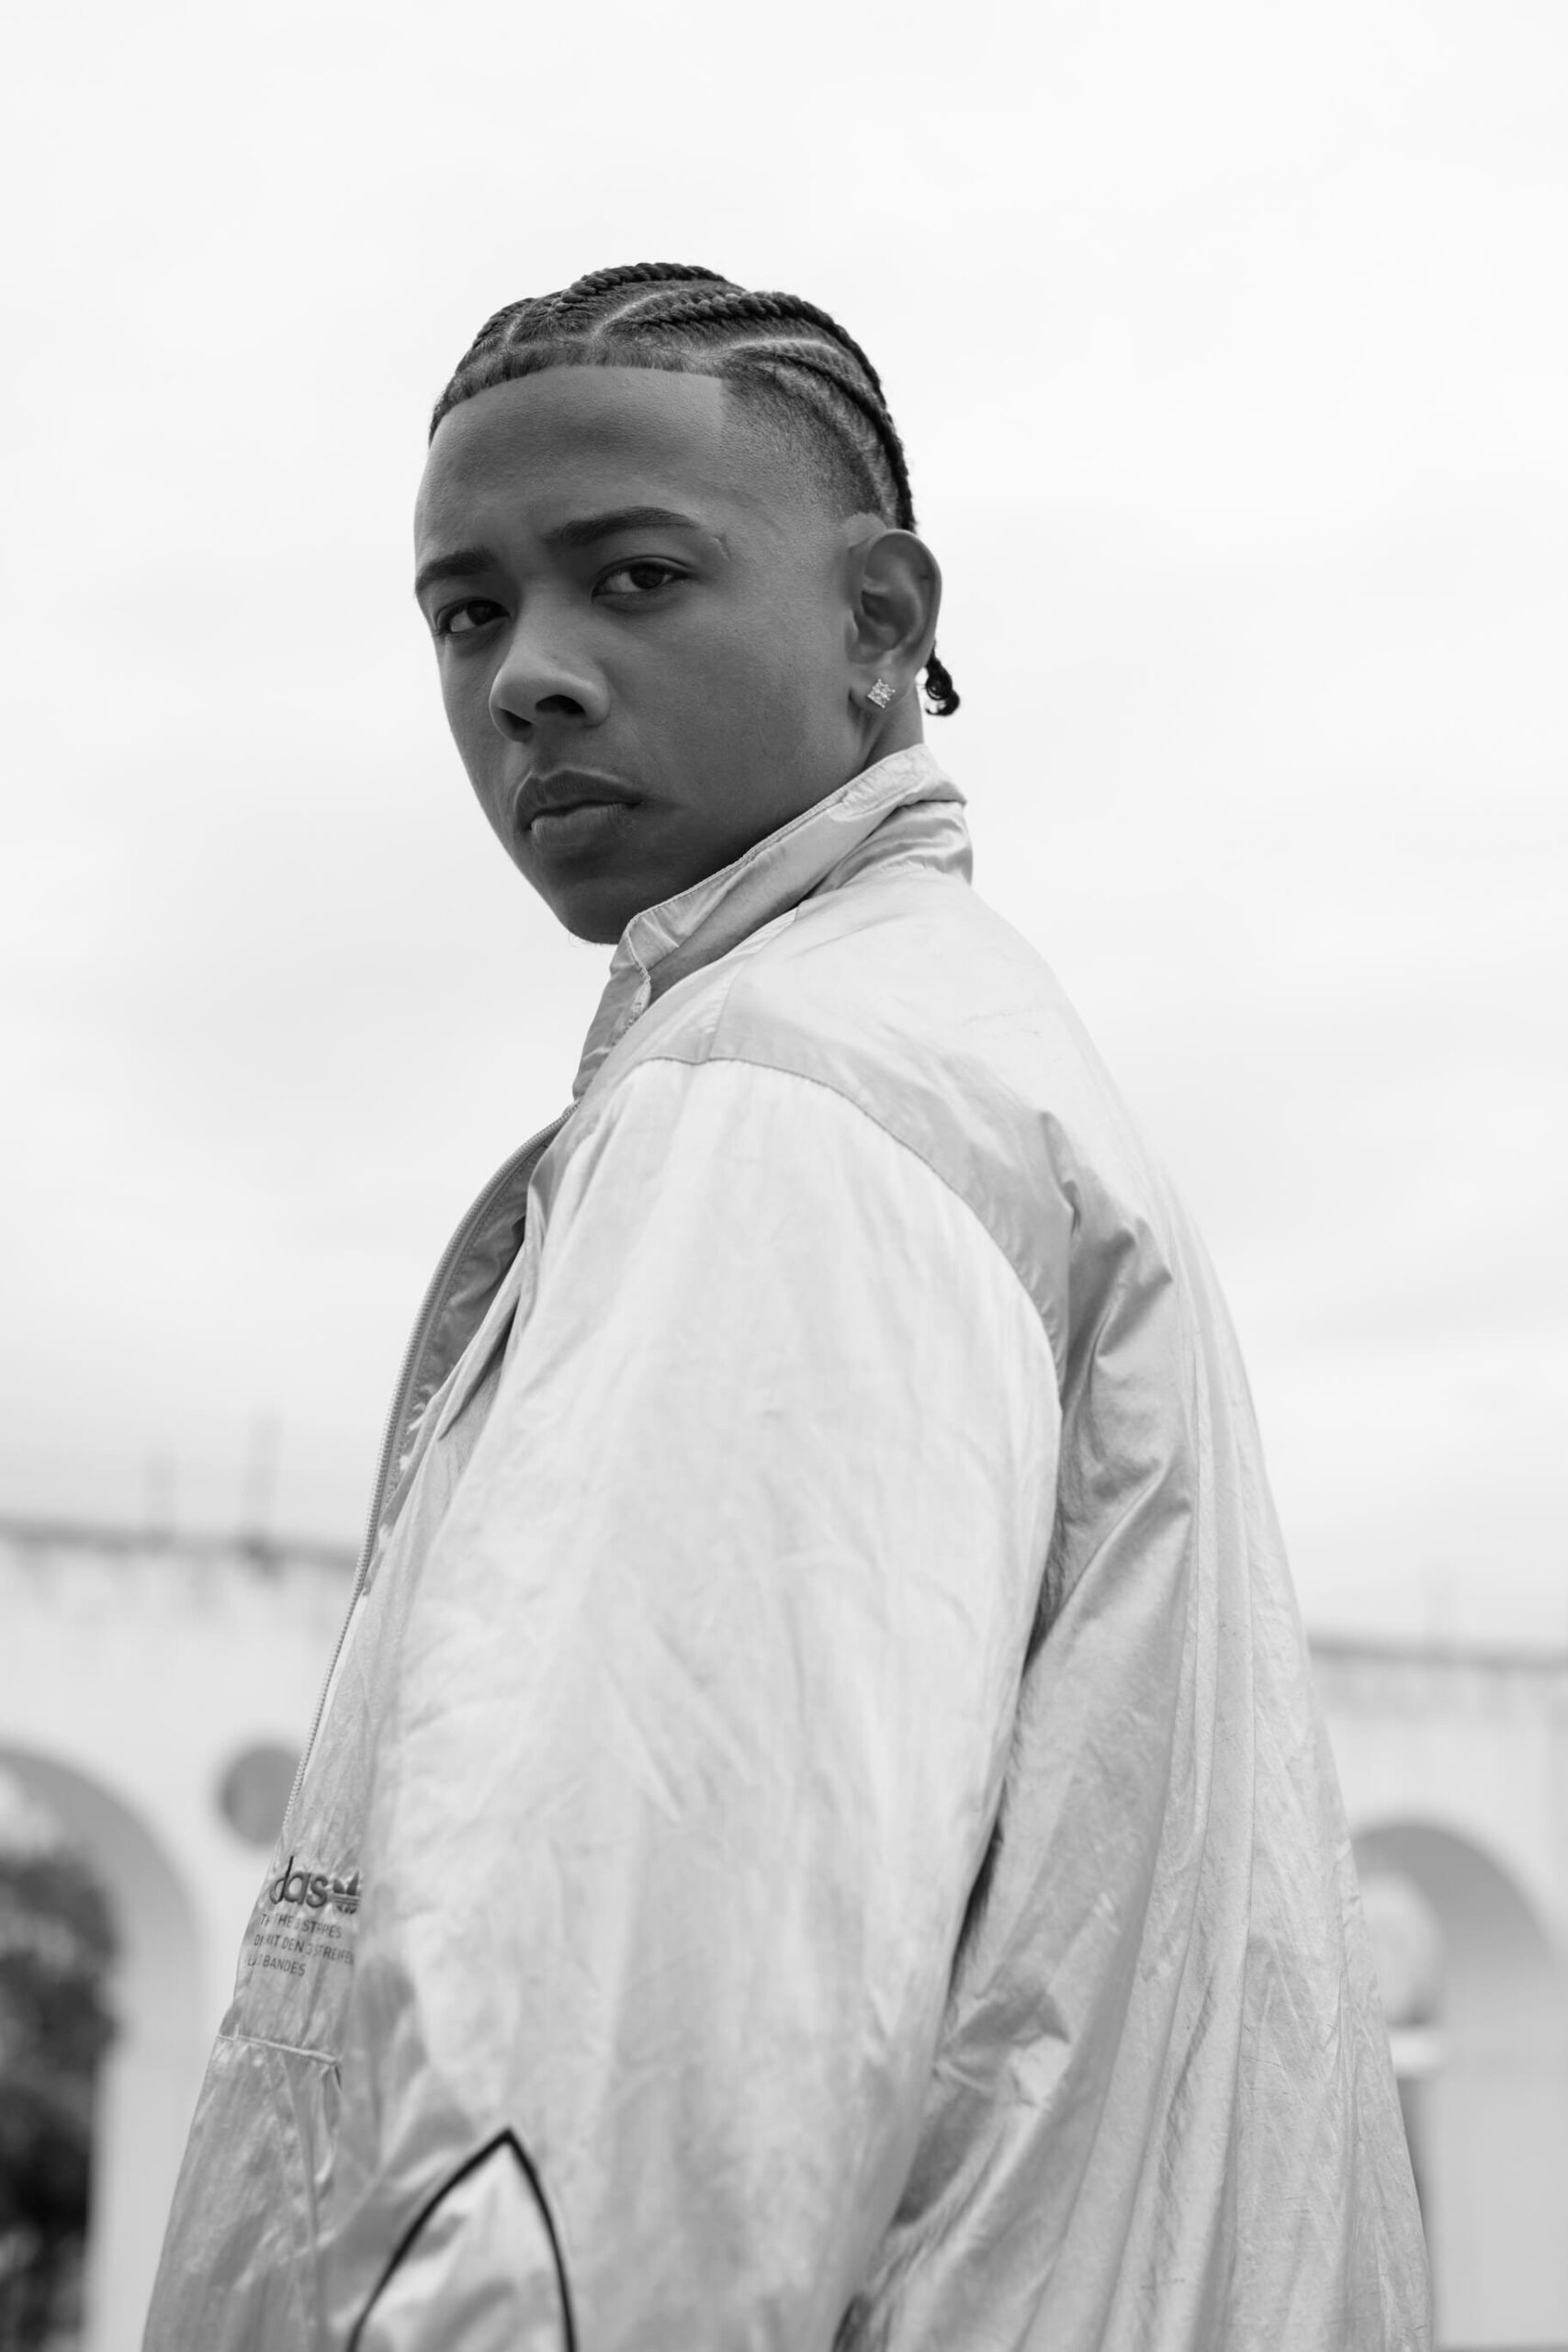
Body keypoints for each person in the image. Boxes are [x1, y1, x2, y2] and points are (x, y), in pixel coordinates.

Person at [144, 263, 1430, 2349]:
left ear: (880, 621)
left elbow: (611, 2128)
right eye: (465, 612)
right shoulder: (952, 1056)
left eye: (632, 577)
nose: (527, 676)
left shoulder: (787, 1106)